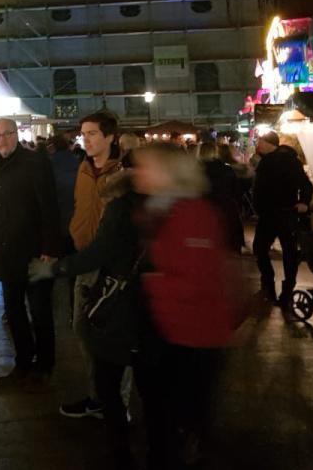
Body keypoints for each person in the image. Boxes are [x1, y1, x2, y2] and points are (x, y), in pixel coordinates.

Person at [132, 143, 244, 469]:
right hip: (168, 333)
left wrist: (150, 281)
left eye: (144, 166)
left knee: (177, 420)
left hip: (190, 338)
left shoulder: (193, 214)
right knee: (162, 418)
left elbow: (197, 281)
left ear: (167, 172)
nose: (137, 172)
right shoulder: (159, 209)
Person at [28, 166, 144, 470]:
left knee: (107, 374)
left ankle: (120, 450)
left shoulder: (119, 210)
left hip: (121, 302)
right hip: (142, 302)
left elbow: (99, 252)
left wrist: (55, 269)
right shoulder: (149, 207)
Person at [60, 111, 128, 420]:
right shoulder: (84, 169)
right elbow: (80, 207)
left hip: (113, 263)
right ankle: (99, 394)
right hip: (85, 258)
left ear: (110, 136)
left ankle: (117, 402)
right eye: (83, 133)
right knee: (82, 327)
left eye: (92, 134)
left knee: (115, 334)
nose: (85, 139)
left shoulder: (123, 173)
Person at [0, 117, 59, 390]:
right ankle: (23, 361)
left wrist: (49, 248)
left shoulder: (34, 163)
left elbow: (49, 207)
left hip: (34, 253)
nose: (1, 139)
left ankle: (45, 364)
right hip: (7, 252)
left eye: (6, 134)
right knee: (14, 311)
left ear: (16, 135)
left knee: (40, 311)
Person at [251, 130, 313, 304]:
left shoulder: (288, 161)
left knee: (288, 252)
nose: (257, 144)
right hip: (267, 215)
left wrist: (303, 203)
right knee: (261, 249)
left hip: (285, 213)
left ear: (268, 143)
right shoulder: (265, 161)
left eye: (260, 141)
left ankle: (286, 290)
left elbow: (305, 185)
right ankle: (269, 283)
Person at [198, 141, 244, 253]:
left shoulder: (196, 171)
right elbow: (237, 191)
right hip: (226, 210)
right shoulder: (227, 170)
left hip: (204, 213)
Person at [46, 134, 79, 256]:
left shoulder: (49, 165)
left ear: (52, 147)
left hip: (57, 219)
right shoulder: (78, 162)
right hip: (76, 219)